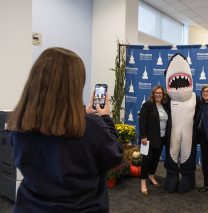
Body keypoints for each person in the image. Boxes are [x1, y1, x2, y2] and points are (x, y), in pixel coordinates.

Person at [8, 47, 124, 212]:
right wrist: (105, 117)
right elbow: (115, 155)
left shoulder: (19, 123)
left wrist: (86, 115)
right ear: (75, 84)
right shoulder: (91, 126)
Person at [139, 85, 169, 196]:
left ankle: (151, 176)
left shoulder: (165, 106)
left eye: (160, 93)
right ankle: (143, 182)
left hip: (161, 138)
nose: (158, 95)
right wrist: (143, 136)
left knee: (156, 159)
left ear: (163, 95)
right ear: (153, 94)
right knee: (146, 160)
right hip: (148, 139)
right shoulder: (147, 105)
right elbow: (142, 122)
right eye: (156, 93)